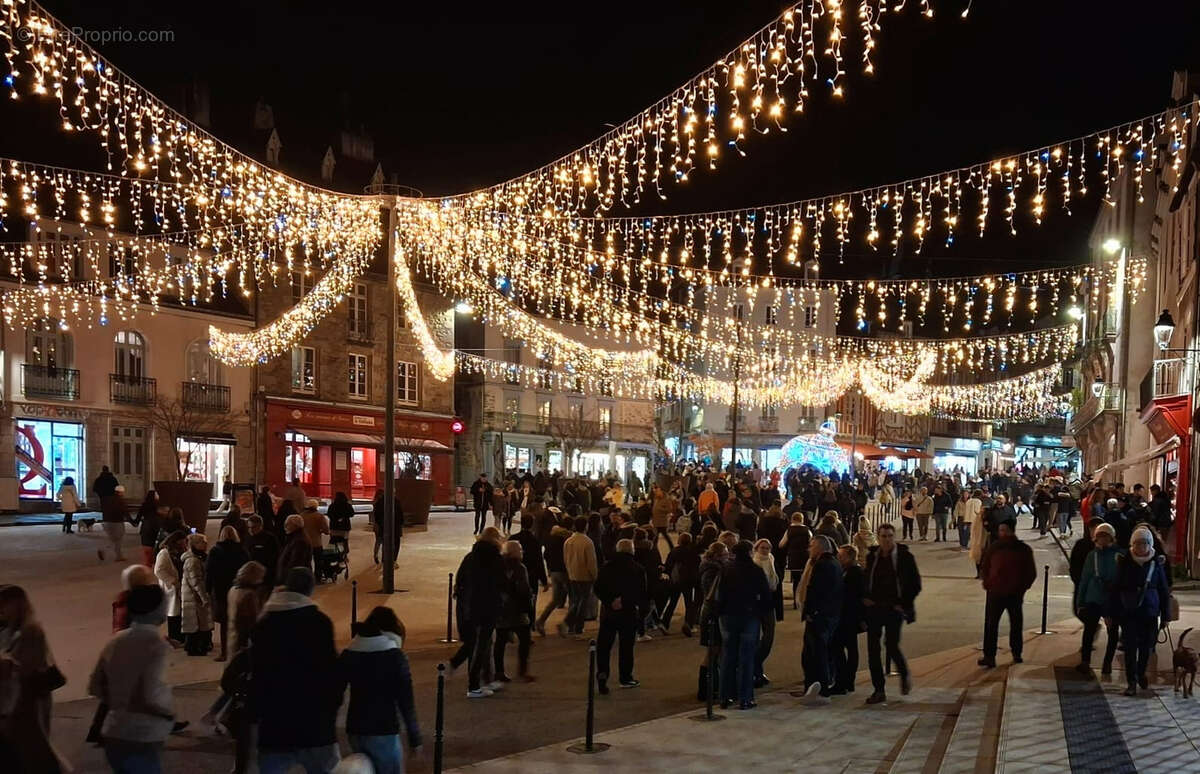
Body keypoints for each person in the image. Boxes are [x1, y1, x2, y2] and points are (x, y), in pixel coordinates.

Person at [253, 567, 342, 773]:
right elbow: (331, 673)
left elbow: (258, 674)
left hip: (274, 724)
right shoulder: (319, 623)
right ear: (310, 590)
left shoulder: (264, 624)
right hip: (315, 723)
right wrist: (332, 706)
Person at [88, 585, 175, 774]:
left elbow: (95, 686)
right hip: (143, 734)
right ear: (156, 609)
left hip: (114, 730)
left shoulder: (115, 640)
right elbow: (148, 695)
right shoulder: (156, 646)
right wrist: (167, 715)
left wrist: (119, 701)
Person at [337, 607, 422, 774]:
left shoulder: (350, 653)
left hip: (355, 729)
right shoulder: (395, 657)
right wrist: (415, 738)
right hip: (384, 730)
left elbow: (334, 692)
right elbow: (406, 702)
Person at [0, 585, 66, 773]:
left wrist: (8, 665)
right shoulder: (7, 630)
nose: (1, 609)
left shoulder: (31, 631)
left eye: (4, 604)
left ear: (17, 605)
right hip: (11, 701)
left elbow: (26, 667)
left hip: (28, 699)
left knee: (34, 748)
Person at [862, 523, 921, 704]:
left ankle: (904, 674)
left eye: (889, 536)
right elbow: (866, 578)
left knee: (892, 644)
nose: (886, 540)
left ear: (894, 537)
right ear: (878, 538)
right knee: (873, 648)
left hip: (895, 607)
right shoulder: (873, 556)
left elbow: (915, 584)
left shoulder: (904, 557)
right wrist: (865, 597)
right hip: (875, 607)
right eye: (883, 536)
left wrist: (903, 604)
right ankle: (878, 689)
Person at [1112, 527, 1171, 696]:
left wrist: (1166, 615)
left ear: (1150, 544)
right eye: (1137, 543)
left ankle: (1140, 672)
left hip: (1150, 611)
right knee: (1130, 648)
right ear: (1132, 543)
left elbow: (1163, 590)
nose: (1141, 546)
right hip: (1129, 611)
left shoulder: (1156, 564)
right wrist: (1112, 612)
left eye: (1144, 543)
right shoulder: (1125, 561)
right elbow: (1116, 588)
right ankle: (1131, 681)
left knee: (1147, 647)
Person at [716, 540, 771, 710]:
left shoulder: (726, 570)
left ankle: (725, 697)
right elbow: (766, 596)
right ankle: (745, 698)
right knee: (747, 658)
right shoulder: (755, 570)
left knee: (728, 656)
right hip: (749, 616)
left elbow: (720, 593)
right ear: (749, 552)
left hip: (728, 616)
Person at [977, 522, 1036, 668]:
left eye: (1003, 530)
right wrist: (988, 583)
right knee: (994, 625)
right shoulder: (996, 547)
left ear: (1010, 531)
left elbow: (1030, 572)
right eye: (1000, 530)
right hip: (999, 592)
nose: (1001, 533)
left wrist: (1022, 588)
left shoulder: (1020, 549)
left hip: (1010, 593)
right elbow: (985, 566)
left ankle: (1012, 653)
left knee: (1011, 624)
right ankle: (993, 655)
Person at [593, 538, 648, 694]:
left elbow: (597, 588)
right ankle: (625, 677)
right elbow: (641, 593)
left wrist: (610, 601)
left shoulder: (607, 566)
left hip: (608, 613)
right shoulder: (638, 569)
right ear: (632, 551)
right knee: (626, 647)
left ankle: (602, 676)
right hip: (628, 613)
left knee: (604, 647)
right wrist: (625, 601)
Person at [798, 535, 844, 705]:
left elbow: (815, 590)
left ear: (819, 547)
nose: (809, 549)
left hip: (820, 617)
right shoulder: (834, 563)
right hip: (830, 615)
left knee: (816, 654)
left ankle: (820, 689)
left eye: (811, 545)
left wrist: (811, 612)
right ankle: (814, 688)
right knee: (817, 652)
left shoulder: (822, 565)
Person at [1073, 522, 1122, 676]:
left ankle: (1107, 663)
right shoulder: (1092, 555)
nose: (1102, 540)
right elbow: (1085, 579)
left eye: (1105, 536)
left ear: (1111, 538)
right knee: (1089, 630)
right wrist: (1080, 601)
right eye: (1100, 536)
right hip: (1093, 598)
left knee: (1113, 632)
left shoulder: (1119, 555)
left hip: (1112, 599)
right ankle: (1085, 661)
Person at [494, 541, 535, 682]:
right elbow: (523, 589)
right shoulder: (519, 568)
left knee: (500, 641)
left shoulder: (498, 565)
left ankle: (499, 671)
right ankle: (522, 671)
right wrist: (529, 596)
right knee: (524, 639)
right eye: (520, 549)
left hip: (502, 608)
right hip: (517, 609)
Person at [207, 526, 249, 662]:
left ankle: (225, 652)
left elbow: (209, 572)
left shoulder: (215, 551)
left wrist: (208, 589)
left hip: (220, 590)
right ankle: (240, 649)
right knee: (240, 620)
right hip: (237, 587)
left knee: (225, 622)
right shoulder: (241, 550)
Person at [696, 541, 728, 701]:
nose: (727, 557)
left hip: (710, 613)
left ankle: (713, 687)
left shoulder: (710, 567)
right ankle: (705, 690)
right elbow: (713, 594)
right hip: (711, 615)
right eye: (725, 555)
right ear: (717, 555)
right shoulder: (712, 570)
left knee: (715, 652)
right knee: (712, 653)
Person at [832, 545, 865, 694]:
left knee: (840, 648)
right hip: (848, 616)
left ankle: (843, 681)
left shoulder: (854, 572)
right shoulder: (848, 570)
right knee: (849, 649)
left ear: (850, 557)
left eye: (841, 556)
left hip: (848, 617)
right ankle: (847, 681)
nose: (838, 558)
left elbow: (852, 597)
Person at [561, 517, 599, 637]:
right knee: (582, 602)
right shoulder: (587, 542)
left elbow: (565, 558)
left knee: (576, 600)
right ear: (586, 526)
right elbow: (591, 562)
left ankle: (570, 625)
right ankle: (576, 625)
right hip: (585, 576)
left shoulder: (569, 541)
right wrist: (595, 576)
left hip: (572, 574)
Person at [751, 538, 780, 687]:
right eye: (762, 548)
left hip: (769, 602)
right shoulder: (755, 563)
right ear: (756, 549)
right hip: (758, 604)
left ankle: (756, 666)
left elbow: (774, 581)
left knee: (769, 637)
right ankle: (755, 669)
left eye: (768, 548)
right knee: (756, 639)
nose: (765, 551)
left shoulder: (770, 559)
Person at [534, 519, 571, 635]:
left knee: (555, 600)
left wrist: (549, 569)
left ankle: (541, 620)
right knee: (575, 599)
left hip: (554, 572)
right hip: (564, 571)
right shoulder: (566, 540)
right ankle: (567, 623)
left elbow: (545, 555)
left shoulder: (550, 540)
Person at [181, 533, 214, 656]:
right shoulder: (192, 561)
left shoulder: (199, 557)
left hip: (196, 597)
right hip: (194, 598)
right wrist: (204, 597)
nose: (206, 544)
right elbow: (196, 581)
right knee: (196, 624)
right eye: (202, 542)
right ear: (195, 545)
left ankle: (201, 645)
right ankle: (194, 647)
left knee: (201, 622)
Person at [663, 531, 701, 636]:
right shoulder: (693, 552)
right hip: (688, 581)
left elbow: (668, 565)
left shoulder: (674, 551)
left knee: (673, 602)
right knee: (689, 603)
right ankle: (688, 624)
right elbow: (698, 566)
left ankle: (665, 622)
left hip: (676, 580)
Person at [153, 530, 188, 646]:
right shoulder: (164, 553)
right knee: (173, 613)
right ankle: (175, 638)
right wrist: (172, 581)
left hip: (180, 585)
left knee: (180, 612)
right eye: (183, 541)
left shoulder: (182, 551)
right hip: (171, 587)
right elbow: (158, 570)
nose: (184, 543)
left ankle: (181, 637)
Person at [226, 561, 267, 658]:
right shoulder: (249, 595)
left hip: (233, 635)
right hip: (244, 639)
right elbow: (253, 620)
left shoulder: (233, 590)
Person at [780, 512, 811, 608]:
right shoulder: (807, 530)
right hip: (805, 556)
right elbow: (811, 541)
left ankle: (794, 602)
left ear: (792, 519)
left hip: (793, 557)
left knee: (795, 580)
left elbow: (781, 544)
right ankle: (803, 599)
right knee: (804, 579)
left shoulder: (789, 530)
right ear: (802, 519)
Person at [98, 474, 129, 562]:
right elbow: (125, 511)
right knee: (118, 539)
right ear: (121, 492)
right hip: (117, 522)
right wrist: (132, 521)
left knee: (111, 538)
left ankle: (104, 550)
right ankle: (118, 556)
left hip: (107, 521)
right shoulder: (120, 500)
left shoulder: (107, 499)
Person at [244, 515, 281, 588]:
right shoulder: (247, 538)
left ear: (260, 526)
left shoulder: (270, 539)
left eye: (253, 527)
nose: (251, 530)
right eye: (249, 527)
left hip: (266, 576)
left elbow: (275, 557)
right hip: (251, 575)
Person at [277, 513, 314, 580]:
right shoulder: (294, 538)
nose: (285, 527)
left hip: (297, 578)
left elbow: (296, 562)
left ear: (295, 526)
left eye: (287, 524)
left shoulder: (300, 541)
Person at [133, 491, 163, 566]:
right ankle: (153, 562)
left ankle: (148, 564)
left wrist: (132, 521)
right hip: (155, 526)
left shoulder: (144, 505)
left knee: (147, 546)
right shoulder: (158, 506)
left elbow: (138, 518)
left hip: (145, 527)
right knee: (154, 546)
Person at [967, 489, 989, 577]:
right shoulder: (977, 519)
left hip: (985, 541)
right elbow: (973, 530)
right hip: (977, 541)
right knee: (978, 558)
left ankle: (983, 573)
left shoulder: (988, 520)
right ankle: (979, 573)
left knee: (984, 558)